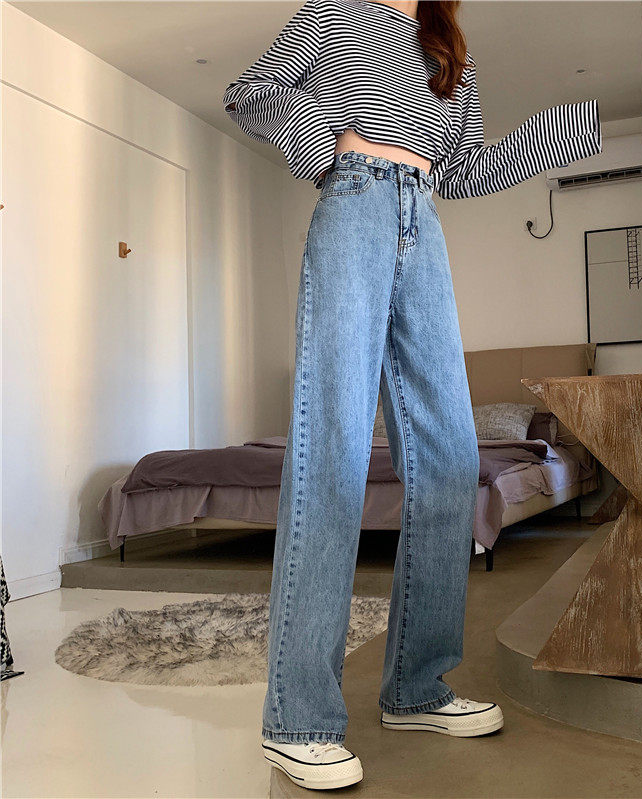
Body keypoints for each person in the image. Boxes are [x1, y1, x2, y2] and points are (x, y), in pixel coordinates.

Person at [224, 0, 601, 789]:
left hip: (422, 228)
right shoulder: (333, 14)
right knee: (332, 453)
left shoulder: (448, 47)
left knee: (453, 459)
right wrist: (324, 145)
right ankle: (298, 717)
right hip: (354, 210)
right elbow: (251, 91)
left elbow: (462, 170)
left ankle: (416, 686)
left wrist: (571, 128)